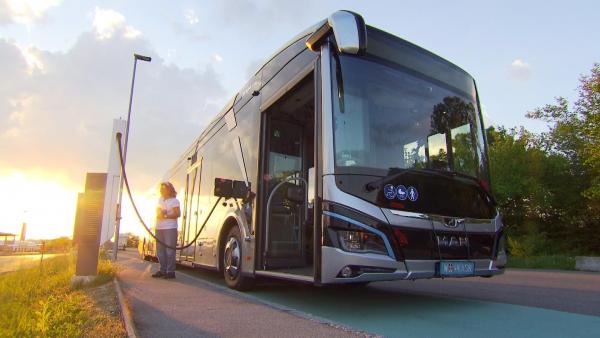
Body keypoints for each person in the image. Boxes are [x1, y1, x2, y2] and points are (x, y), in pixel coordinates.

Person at [152, 182, 180, 279]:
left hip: (170, 228)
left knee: (169, 250)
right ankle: (162, 270)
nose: (161, 190)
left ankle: (170, 272)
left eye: (164, 188)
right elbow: (157, 210)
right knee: (160, 251)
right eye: (161, 189)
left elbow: (177, 214)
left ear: (169, 189)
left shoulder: (174, 201)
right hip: (159, 227)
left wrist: (166, 215)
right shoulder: (160, 200)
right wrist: (159, 213)